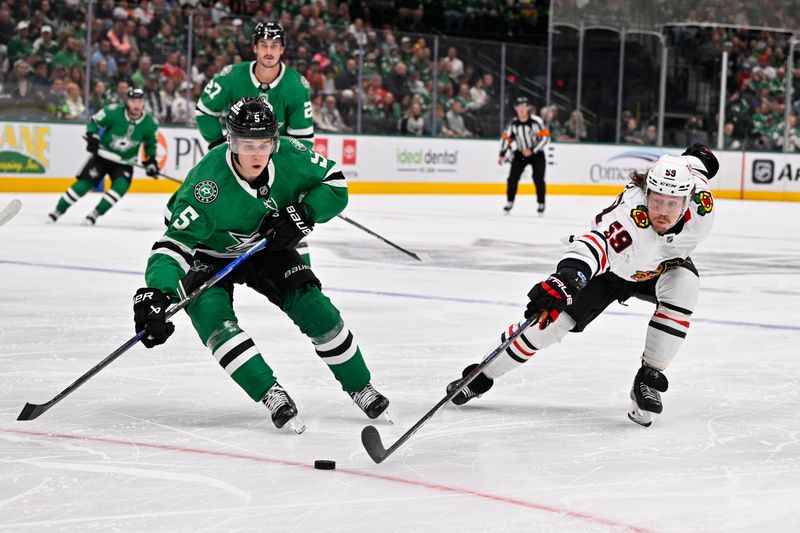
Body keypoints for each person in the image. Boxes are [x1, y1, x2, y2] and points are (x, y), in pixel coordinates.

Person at [132, 98, 390, 433]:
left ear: (275, 141)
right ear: (230, 140)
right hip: (207, 252)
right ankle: (270, 393)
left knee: (314, 307)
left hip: (265, 245)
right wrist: (158, 292)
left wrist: (304, 213)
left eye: (264, 144)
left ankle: (360, 386)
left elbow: (336, 183)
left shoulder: (290, 154)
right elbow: (173, 245)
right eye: (246, 144)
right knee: (213, 319)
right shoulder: (206, 185)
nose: (256, 154)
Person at [446, 144, 719, 428]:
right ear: (647, 194)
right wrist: (566, 279)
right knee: (549, 326)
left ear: (688, 202)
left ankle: (649, 377)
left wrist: (699, 155)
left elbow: (694, 163)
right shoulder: (630, 221)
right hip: (613, 268)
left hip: (661, 269)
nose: (662, 212)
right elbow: (594, 246)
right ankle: (483, 374)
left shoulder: (702, 204)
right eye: (656, 201)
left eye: (672, 204)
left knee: (685, 284)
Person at [47, 87, 159, 226]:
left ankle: (94, 214)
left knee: (120, 187)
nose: (136, 104)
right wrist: (92, 136)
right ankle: (57, 211)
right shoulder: (114, 111)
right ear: (127, 102)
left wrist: (151, 161)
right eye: (133, 101)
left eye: (140, 101)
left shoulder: (149, 123)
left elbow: (151, 144)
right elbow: (94, 122)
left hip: (124, 163)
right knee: (83, 185)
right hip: (102, 156)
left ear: (143, 103)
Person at [195, 22, 313, 151]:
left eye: (274, 46)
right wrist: (218, 143)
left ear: (282, 49)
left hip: (278, 158)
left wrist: (283, 162)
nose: (269, 52)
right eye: (263, 45)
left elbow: (302, 138)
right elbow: (204, 110)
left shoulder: (296, 86)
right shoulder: (232, 76)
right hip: (238, 156)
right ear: (255, 48)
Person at [499, 96, 549, 215]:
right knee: (512, 178)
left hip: (536, 154)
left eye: (524, 107)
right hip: (520, 154)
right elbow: (506, 138)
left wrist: (532, 149)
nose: (522, 109)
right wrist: (502, 153)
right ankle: (509, 202)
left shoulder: (537, 122)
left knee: (538, 178)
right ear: (516, 108)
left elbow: (545, 138)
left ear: (528, 108)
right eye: (519, 107)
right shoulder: (513, 124)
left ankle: (541, 203)